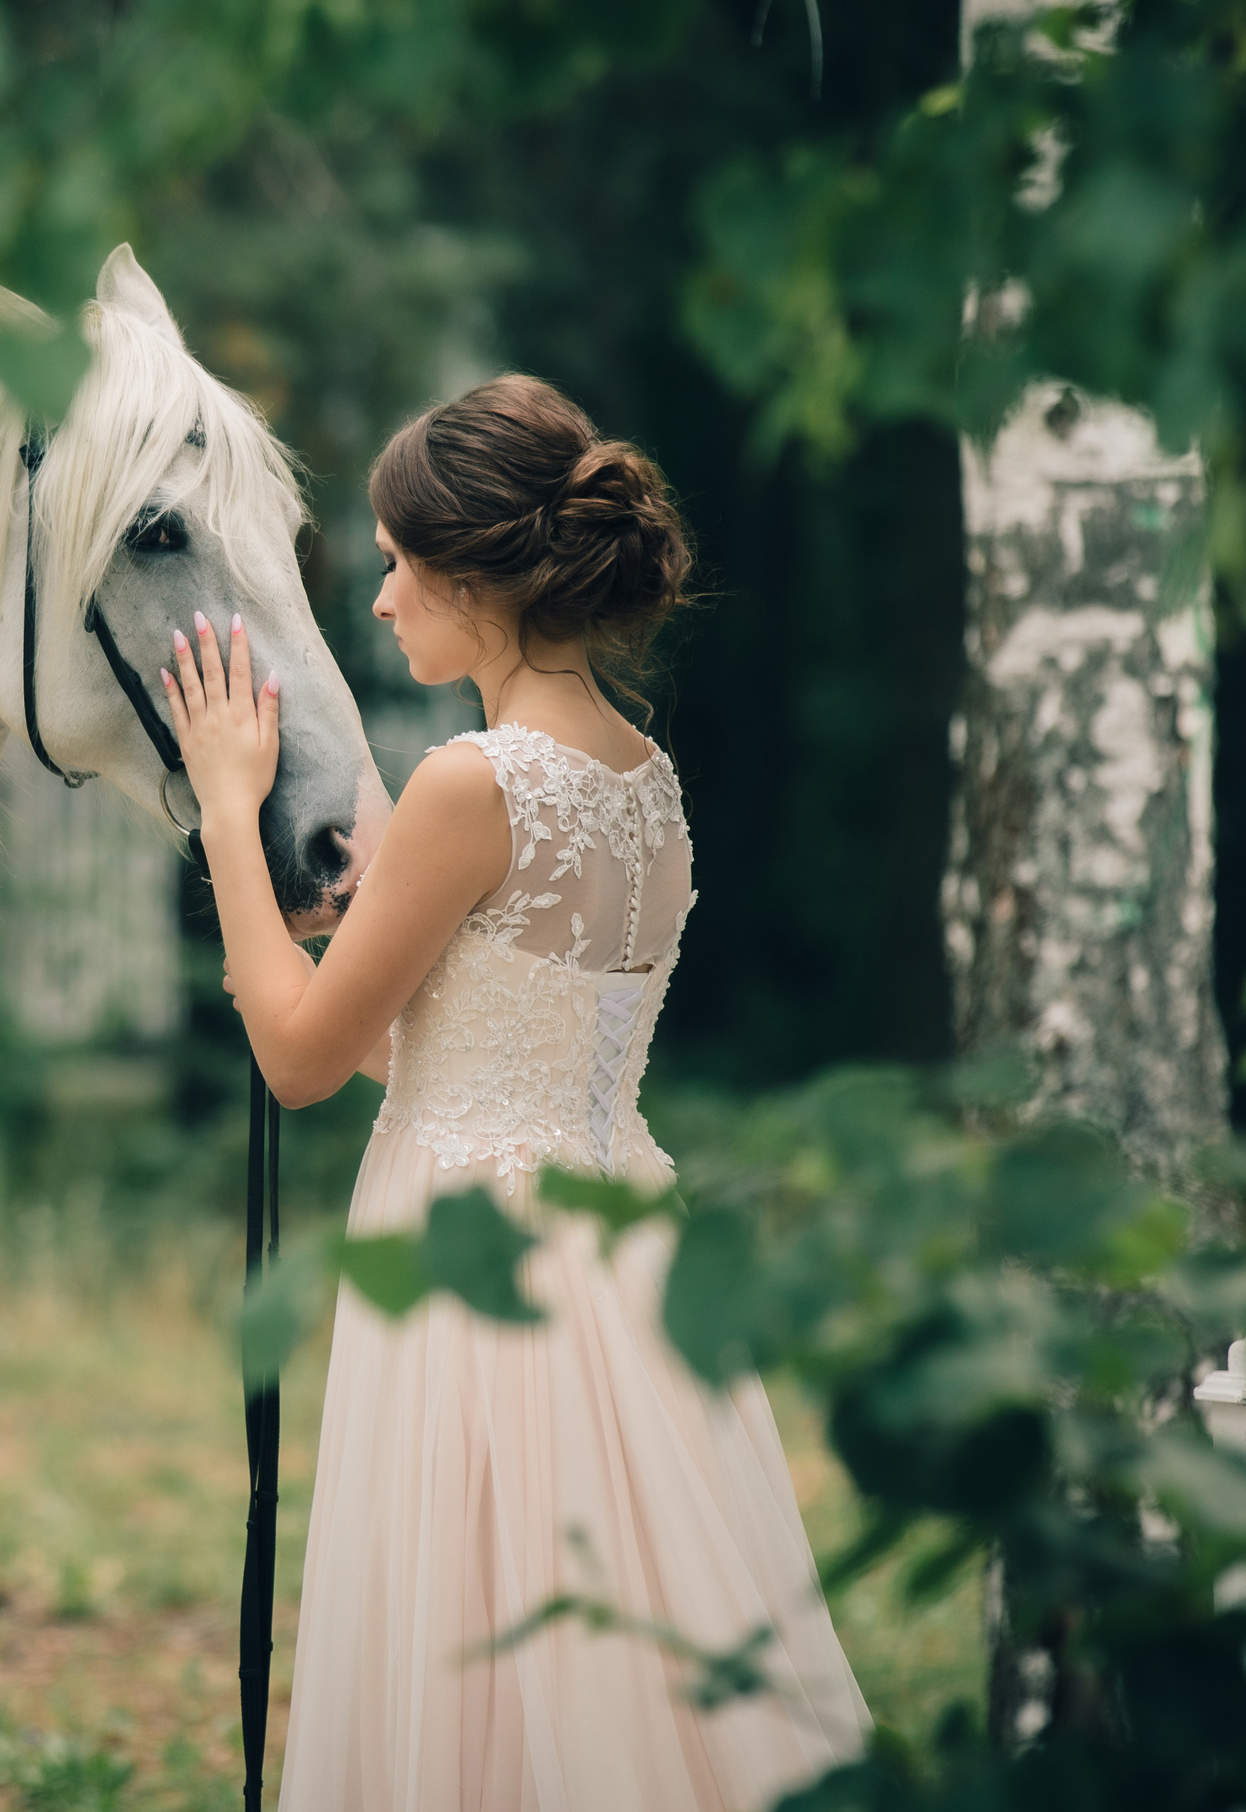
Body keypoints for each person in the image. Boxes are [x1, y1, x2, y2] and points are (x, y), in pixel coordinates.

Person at [161, 375, 868, 1811]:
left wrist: (229, 810)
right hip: (619, 1242)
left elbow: (296, 1062)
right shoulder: (644, 779)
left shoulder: (469, 784)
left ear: (477, 577)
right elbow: (459, 1050)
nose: (378, 601)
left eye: (395, 563)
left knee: (483, 1641)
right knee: (610, 1633)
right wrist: (349, 954)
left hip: (471, 1251)